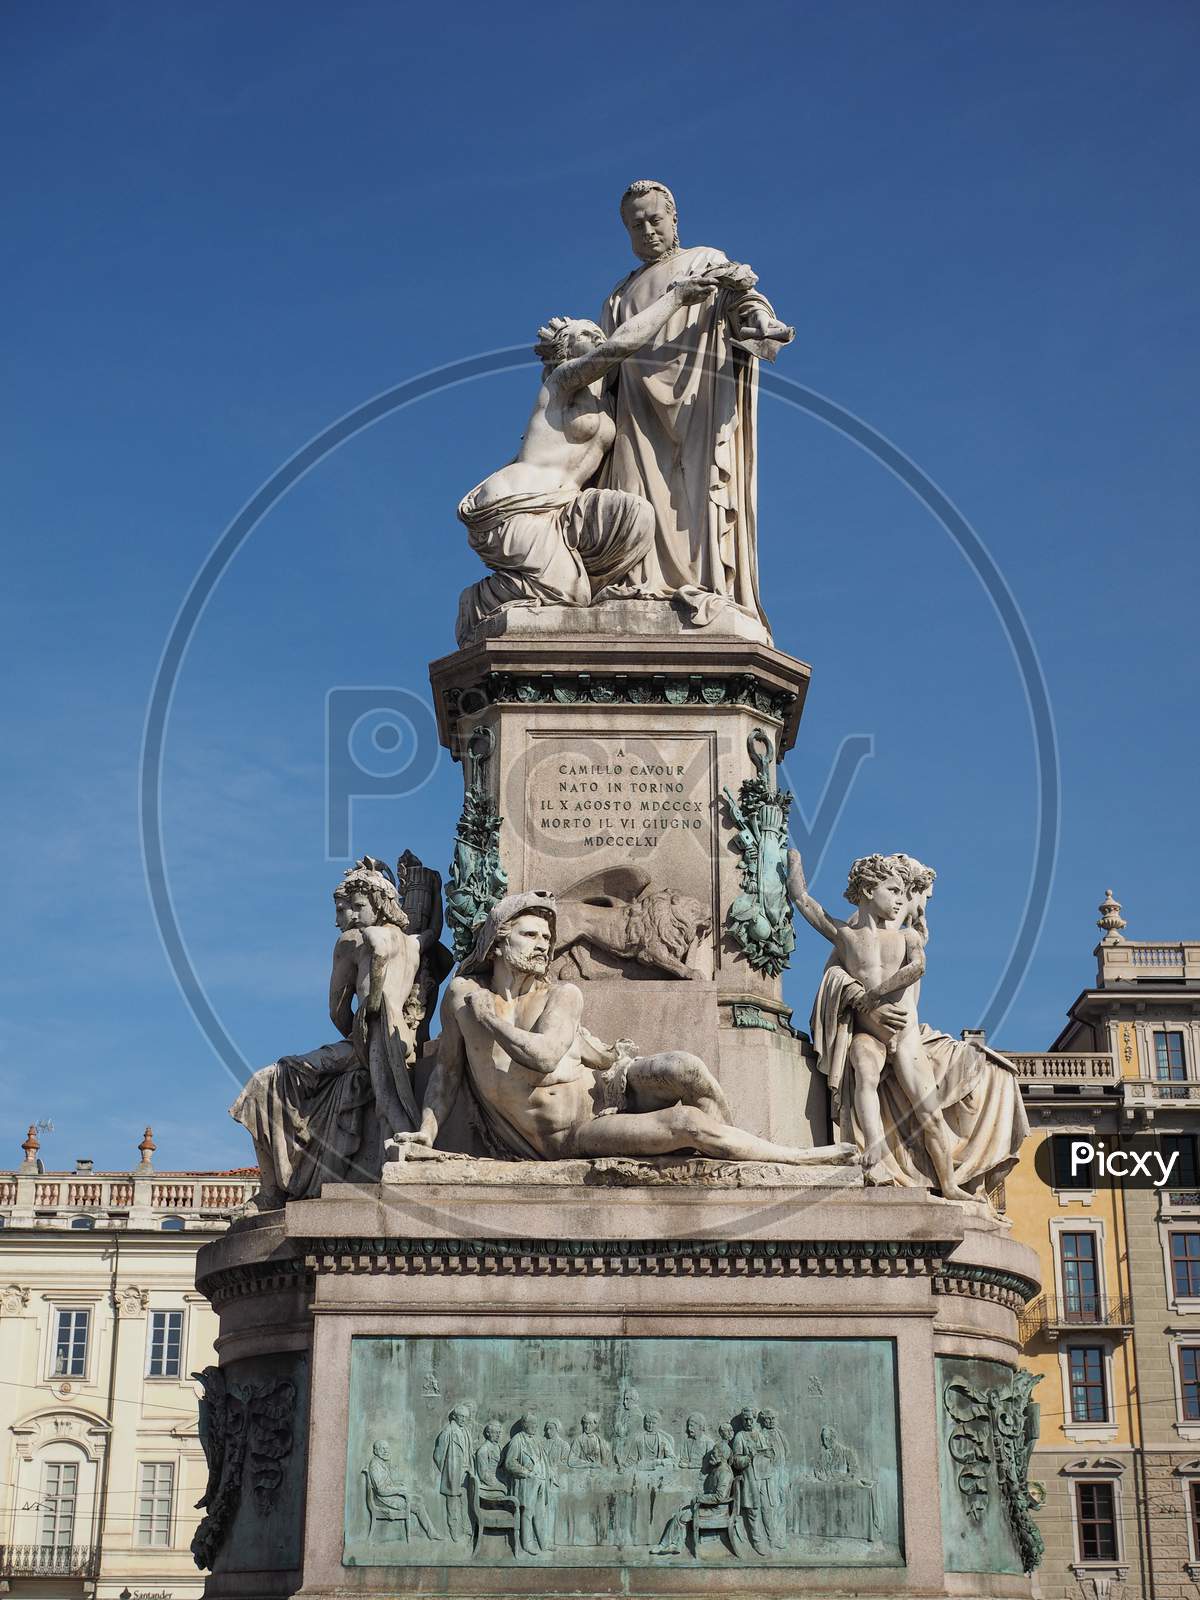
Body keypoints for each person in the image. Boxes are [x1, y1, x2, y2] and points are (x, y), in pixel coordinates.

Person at [394, 891, 857, 1167]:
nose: (543, 947)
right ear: (498, 940)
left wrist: (492, 1021)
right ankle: (795, 1158)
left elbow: (545, 1056)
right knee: (684, 1122)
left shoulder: (562, 994)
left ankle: (732, 1145)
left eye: (547, 940)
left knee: (685, 1067)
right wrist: (426, 1133)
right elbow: (447, 1074)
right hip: (575, 1131)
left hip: (606, 1084)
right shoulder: (461, 997)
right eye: (531, 936)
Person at [454, 274, 718, 645]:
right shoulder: (561, 384)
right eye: (586, 336)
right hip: (518, 506)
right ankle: (482, 601)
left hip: (564, 509)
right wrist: (676, 298)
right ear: (565, 350)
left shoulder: (605, 401)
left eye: (598, 335)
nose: (597, 340)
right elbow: (619, 347)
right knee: (566, 600)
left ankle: (554, 580)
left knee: (635, 517)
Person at [599, 180, 794, 632]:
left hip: (697, 399)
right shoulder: (619, 295)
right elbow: (604, 359)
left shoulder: (704, 260)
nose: (647, 230)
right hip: (635, 410)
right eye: (635, 225)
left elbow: (742, 298)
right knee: (634, 497)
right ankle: (640, 583)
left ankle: (705, 585)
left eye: (654, 219)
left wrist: (760, 321)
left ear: (674, 219)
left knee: (697, 496)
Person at [232, 859, 437, 1205]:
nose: (348, 917)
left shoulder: (353, 941)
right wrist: (430, 889)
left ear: (379, 905)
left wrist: (360, 1022)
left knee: (263, 1082)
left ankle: (271, 1190)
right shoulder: (414, 944)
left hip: (367, 1038)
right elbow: (433, 930)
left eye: (356, 907)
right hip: (403, 1040)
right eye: (345, 910)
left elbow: (337, 1011)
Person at [788, 850, 972, 1200]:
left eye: (904, 893)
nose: (901, 900)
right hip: (868, 1034)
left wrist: (871, 997)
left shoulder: (906, 938)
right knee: (864, 1072)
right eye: (894, 891)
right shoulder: (846, 936)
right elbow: (803, 901)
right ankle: (874, 1159)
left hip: (904, 1037)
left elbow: (916, 969)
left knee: (928, 1110)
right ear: (869, 892)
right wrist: (794, 859)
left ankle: (948, 1183)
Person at [365, 1440, 441, 1540]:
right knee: (418, 1505)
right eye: (382, 1449)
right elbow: (381, 1490)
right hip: (384, 1500)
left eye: (387, 1448)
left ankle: (421, 1530)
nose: (386, 1451)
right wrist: (399, 1489)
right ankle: (431, 1534)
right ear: (375, 1451)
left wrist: (398, 1486)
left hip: (389, 1496)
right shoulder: (375, 1466)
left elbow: (386, 1484)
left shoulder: (379, 1463)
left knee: (419, 1499)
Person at [501, 1410, 547, 1557]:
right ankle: (527, 1544)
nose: (535, 1426)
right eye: (532, 1423)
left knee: (540, 1513)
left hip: (540, 1481)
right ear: (524, 1424)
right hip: (525, 1483)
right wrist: (526, 1472)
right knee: (527, 1513)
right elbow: (509, 1463)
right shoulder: (517, 1440)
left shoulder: (537, 1440)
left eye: (536, 1423)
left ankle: (542, 1542)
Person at [432, 1403, 473, 1540]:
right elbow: (438, 1454)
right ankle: (453, 1530)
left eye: (465, 1417)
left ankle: (466, 1526)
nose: (463, 1419)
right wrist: (448, 1471)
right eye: (460, 1416)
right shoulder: (448, 1431)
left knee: (465, 1500)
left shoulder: (466, 1430)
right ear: (455, 1416)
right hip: (453, 1471)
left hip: (466, 1472)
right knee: (452, 1502)